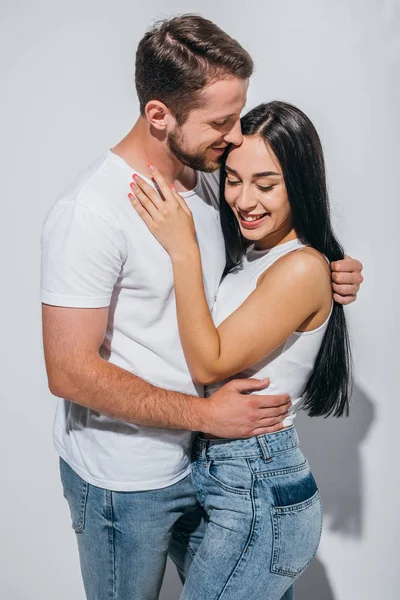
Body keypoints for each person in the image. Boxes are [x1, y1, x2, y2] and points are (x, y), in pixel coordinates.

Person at [40, 15, 363, 600]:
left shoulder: (215, 181)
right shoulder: (90, 213)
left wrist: (328, 271)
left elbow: (264, 268)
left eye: (237, 115)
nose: (235, 134)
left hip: (211, 468)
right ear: (159, 114)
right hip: (126, 479)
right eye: (220, 121)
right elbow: (67, 371)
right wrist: (205, 417)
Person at [129, 100, 352, 599]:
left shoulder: (299, 268)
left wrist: (182, 248)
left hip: (257, 488)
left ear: (301, 183)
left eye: (266, 184)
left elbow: (210, 361)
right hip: (223, 478)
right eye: (234, 179)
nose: (244, 199)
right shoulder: (254, 251)